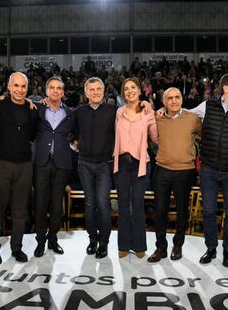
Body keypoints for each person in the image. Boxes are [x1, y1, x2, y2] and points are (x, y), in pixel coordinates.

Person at [192, 73, 228, 268]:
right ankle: (211, 248)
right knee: (208, 211)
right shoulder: (206, 106)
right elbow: (183, 114)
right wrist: (158, 110)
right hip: (208, 169)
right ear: (226, 88)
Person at [0, 72, 38, 264]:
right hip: (2, 164)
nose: (19, 90)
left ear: (27, 88)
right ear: (8, 87)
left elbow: (32, 135)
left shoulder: (33, 110)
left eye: (23, 86)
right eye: (15, 86)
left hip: (25, 165)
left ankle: (16, 248)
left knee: (20, 211)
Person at [147, 87, 201, 263]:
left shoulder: (193, 119)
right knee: (160, 211)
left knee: (181, 211)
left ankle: (178, 245)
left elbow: (205, 137)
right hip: (161, 170)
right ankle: (160, 247)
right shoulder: (158, 117)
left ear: (182, 100)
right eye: (169, 98)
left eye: (177, 97)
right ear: (164, 102)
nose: (174, 101)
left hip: (185, 171)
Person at [113, 77, 158, 259]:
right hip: (122, 162)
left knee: (137, 203)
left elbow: (155, 137)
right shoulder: (119, 112)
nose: (130, 91)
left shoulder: (148, 112)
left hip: (141, 162)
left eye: (133, 87)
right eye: (126, 89)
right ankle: (123, 245)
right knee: (123, 204)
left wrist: (155, 112)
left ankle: (139, 246)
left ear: (140, 90)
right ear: (123, 94)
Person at [73, 77, 116, 259]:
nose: (96, 92)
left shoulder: (113, 111)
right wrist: (75, 146)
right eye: (92, 89)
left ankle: (104, 243)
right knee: (90, 204)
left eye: (99, 89)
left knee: (103, 204)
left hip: (104, 164)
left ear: (104, 90)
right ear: (86, 92)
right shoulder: (78, 112)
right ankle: (92, 240)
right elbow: (71, 133)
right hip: (84, 164)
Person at [33, 76, 75, 257]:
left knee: (57, 205)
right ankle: (40, 241)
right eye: (52, 88)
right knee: (41, 203)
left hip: (61, 163)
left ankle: (53, 239)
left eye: (59, 88)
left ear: (63, 92)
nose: (56, 91)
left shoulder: (70, 113)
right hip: (41, 162)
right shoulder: (37, 108)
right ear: (47, 90)